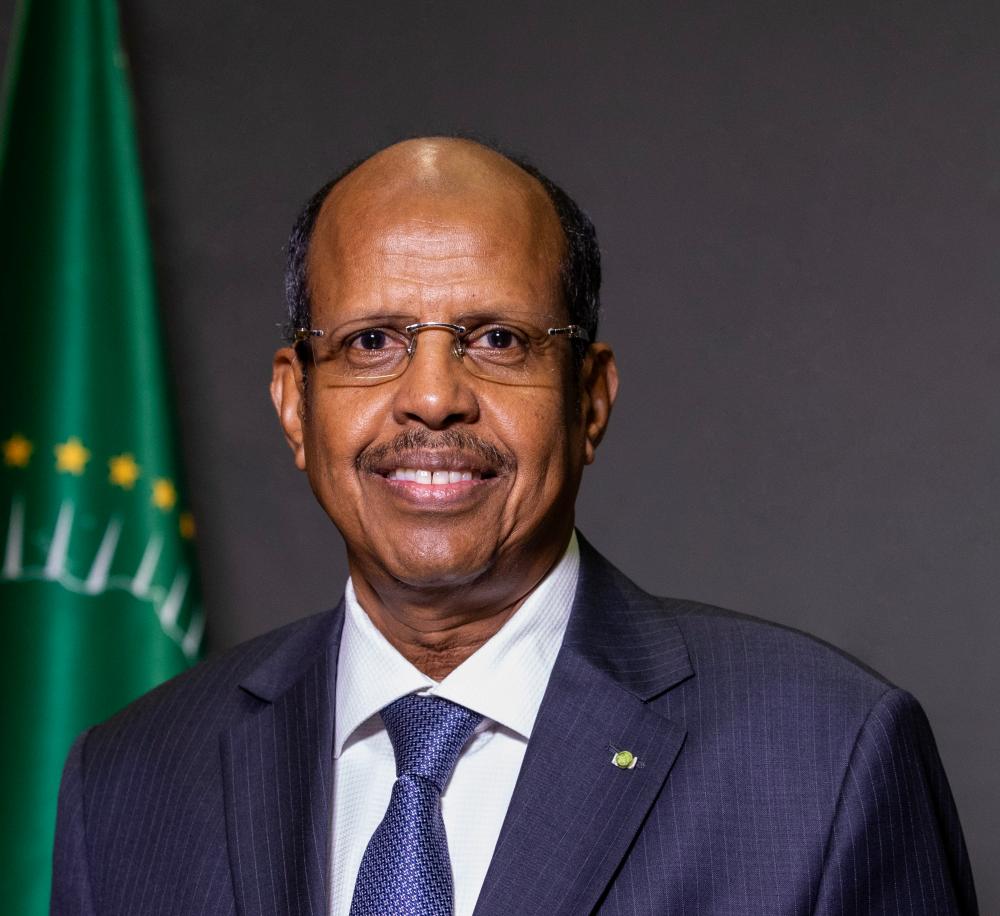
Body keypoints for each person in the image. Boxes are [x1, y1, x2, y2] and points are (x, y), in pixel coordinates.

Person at [51, 137, 978, 915]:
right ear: (297, 406)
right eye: (372, 341)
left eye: (497, 339)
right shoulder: (127, 785)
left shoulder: (825, 758)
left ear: (589, 399)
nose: (432, 398)